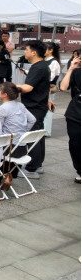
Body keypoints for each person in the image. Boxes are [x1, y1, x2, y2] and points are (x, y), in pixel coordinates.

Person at [16, 40, 51, 179]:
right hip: (38, 105)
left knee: (33, 137)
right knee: (38, 136)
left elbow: (27, 88)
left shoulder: (38, 67)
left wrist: (12, 87)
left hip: (34, 106)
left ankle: (32, 168)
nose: (25, 52)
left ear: (34, 53)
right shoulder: (42, 66)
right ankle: (38, 164)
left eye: (27, 50)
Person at [0, 82, 36, 179]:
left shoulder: (2, 108)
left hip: (8, 149)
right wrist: (22, 132)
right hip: (22, 148)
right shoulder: (20, 105)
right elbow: (32, 120)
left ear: (5, 95)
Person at [60, 55, 81, 184]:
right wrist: (70, 69)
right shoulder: (76, 72)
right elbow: (63, 87)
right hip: (75, 114)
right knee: (75, 144)